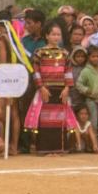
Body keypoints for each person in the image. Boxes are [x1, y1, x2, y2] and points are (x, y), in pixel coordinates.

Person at [24, 20, 78, 155]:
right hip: (45, 90)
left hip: (60, 91)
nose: (56, 37)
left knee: (59, 120)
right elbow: (36, 72)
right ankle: (45, 149)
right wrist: (41, 87)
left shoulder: (65, 53)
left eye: (58, 35)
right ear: (46, 36)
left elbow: (68, 71)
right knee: (45, 120)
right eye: (53, 34)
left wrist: (67, 88)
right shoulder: (39, 52)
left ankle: (59, 148)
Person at [77, 46, 98, 138]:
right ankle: (92, 143)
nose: (95, 58)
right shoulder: (86, 71)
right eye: (93, 56)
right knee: (93, 122)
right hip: (91, 100)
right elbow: (79, 84)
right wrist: (88, 91)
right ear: (89, 58)